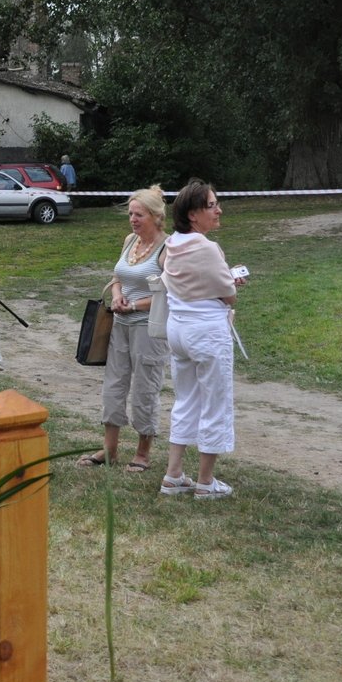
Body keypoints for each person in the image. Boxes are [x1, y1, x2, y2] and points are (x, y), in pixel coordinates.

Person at [158, 179, 247, 499]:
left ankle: (173, 474)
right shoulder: (207, 247)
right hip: (206, 332)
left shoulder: (172, 243)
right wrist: (233, 281)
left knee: (185, 400)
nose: (218, 210)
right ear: (193, 214)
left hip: (179, 329)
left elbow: (179, 279)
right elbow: (229, 294)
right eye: (212, 205)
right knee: (215, 403)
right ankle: (206, 482)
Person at [78, 185, 170, 472]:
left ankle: (143, 452)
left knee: (145, 387)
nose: (132, 219)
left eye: (139, 214)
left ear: (155, 216)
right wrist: (117, 296)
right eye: (130, 213)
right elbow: (117, 276)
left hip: (149, 328)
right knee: (114, 385)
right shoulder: (130, 240)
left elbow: (166, 292)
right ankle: (109, 449)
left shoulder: (168, 248)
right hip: (120, 324)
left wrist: (134, 305)